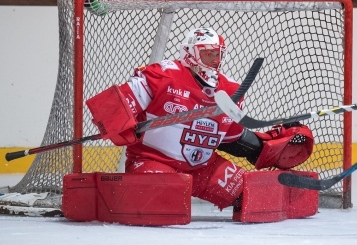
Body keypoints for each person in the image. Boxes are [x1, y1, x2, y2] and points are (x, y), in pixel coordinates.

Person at [85, 27, 316, 222]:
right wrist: (119, 123)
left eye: (218, 55)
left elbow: (230, 138)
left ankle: (295, 194)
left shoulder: (231, 91)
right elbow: (112, 107)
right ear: (190, 54)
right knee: (165, 202)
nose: (215, 61)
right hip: (154, 161)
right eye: (208, 55)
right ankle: (108, 195)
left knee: (255, 196)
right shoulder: (162, 75)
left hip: (203, 167)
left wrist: (262, 148)